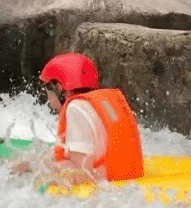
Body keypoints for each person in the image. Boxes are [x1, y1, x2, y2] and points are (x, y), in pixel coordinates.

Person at [27, 52, 144, 185]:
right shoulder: (96, 104)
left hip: (101, 190)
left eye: (48, 94)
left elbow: (82, 173)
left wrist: (35, 167)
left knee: (30, 166)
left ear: (58, 88)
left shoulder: (75, 108)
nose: (49, 101)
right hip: (125, 178)